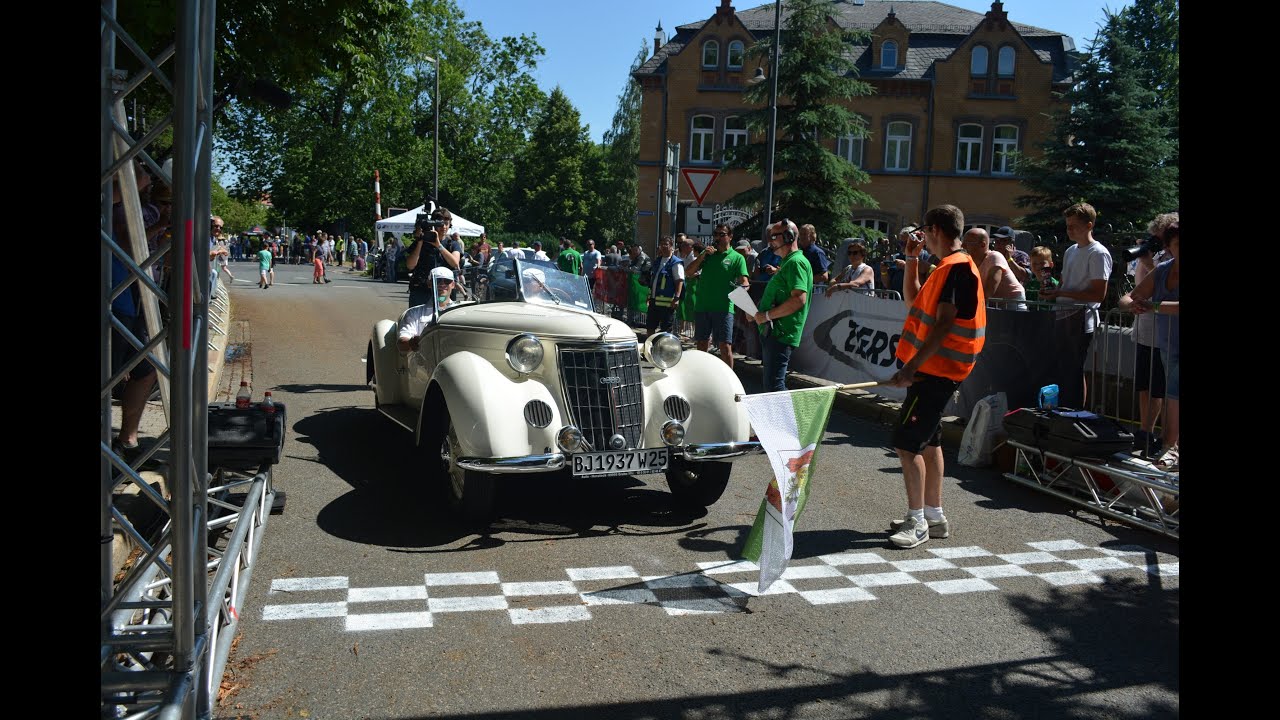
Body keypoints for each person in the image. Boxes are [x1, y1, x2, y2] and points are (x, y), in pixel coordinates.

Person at [886, 204, 986, 549]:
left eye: (924, 231)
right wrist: (912, 261)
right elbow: (913, 302)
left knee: (906, 443)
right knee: (930, 442)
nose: (921, 238)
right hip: (934, 370)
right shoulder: (945, 267)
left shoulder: (958, 269)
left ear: (936, 231)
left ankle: (917, 522)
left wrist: (911, 367)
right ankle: (933, 516)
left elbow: (945, 323)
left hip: (935, 372)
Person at [1119, 220, 1179, 470]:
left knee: (1174, 400)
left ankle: (1169, 451)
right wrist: (1131, 305)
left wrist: (1152, 306)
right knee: (1171, 398)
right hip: (1168, 348)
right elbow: (1128, 296)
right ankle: (1169, 453)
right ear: (1170, 246)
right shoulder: (1164, 269)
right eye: (1178, 244)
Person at [1039, 202, 1111, 409]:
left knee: (1074, 369)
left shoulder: (1098, 253)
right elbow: (1063, 282)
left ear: (1089, 225)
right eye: (1068, 225)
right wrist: (1052, 291)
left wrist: (1061, 292)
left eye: (1074, 226)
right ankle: (1064, 409)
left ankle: (1075, 412)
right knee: (1062, 368)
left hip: (1081, 317)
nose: (1069, 230)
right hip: (1062, 314)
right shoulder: (1071, 250)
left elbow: (1099, 294)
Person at [750, 219, 812, 391]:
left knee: (774, 387)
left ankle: (786, 419)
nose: (770, 241)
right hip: (775, 331)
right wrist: (757, 311)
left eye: (774, 236)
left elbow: (799, 299)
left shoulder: (795, 263)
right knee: (772, 386)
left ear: (788, 236)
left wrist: (766, 315)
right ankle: (779, 418)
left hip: (780, 333)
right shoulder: (788, 262)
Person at [687, 224, 750, 368]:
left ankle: (730, 382)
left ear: (730, 236)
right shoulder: (708, 255)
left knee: (725, 346)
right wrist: (702, 255)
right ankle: (700, 374)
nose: (718, 237)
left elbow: (745, 282)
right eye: (715, 234)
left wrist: (743, 288)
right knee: (702, 345)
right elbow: (688, 272)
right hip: (703, 307)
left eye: (722, 234)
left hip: (723, 308)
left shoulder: (737, 258)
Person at [405, 207, 463, 307]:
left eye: (446, 224)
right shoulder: (421, 242)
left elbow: (455, 263)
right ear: (433, 224)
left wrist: (438, 245)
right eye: (440, 224)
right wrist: (420, 241)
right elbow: (410, 265)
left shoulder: (452, 244)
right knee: (419, 320)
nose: (444, 227)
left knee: (443, 319)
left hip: (444, 291)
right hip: (422, 291)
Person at [962, 227, 1025, 310]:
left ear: (983, 245)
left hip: (1012, 305)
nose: (962, 246)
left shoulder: (994, 257)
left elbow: (988, 292)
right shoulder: (970, 261)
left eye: (967, 243)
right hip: (994, 305)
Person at [397, 269, 457, 352]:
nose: (442, 284)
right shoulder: (414, 313)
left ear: (453, 285)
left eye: (447, 281)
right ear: (429, 284)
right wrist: (412, 342)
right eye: (437, 281)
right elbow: (402, 342)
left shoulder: (460, 311)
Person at [645, 235, 685, 336]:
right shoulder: (658, 261)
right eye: (661, 244)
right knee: (650, 327)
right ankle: (649, 349)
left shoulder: (676, 262)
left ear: (671, 246)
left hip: (667, 304)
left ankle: (663, 350)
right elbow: (654, 280)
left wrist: (676, 298)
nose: (663, 246)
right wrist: (649, 296)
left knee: (665, 331)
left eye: (666, 244)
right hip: (654, 301)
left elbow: (679, 281)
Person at [882, 225, 933, 298]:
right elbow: (887, 284)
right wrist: (883, 272)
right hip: (894, 302)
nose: (903, 246)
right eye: (901, 243)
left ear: (917, 241)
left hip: (915, 303)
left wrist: (906, 266)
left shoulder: (928, 258)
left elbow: (927, 285)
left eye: (906, 243)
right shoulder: (897, 257)